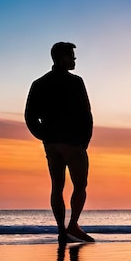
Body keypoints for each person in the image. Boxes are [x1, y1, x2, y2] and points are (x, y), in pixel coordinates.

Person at [25, 42, 94, 244]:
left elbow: (30, 116)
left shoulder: (39, 83)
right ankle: (73, 224)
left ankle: (61, 230)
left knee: (57, 186)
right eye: (71, 56)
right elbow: (86, 113)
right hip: (72, 143)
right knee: (80, 184)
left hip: (52, 144)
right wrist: (84, 141)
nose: (74, 59)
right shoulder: (76, 82)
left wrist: (44, 136)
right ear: (61, 58)